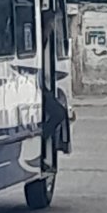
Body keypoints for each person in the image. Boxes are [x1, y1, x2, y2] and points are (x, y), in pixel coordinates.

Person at [41, 10, 67, 140]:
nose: (52, 27)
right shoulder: (40, 39)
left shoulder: (44, 39)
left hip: (41, 85)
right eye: (51, 23)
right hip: (36, 87)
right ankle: (43, 137)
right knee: (59, 113)